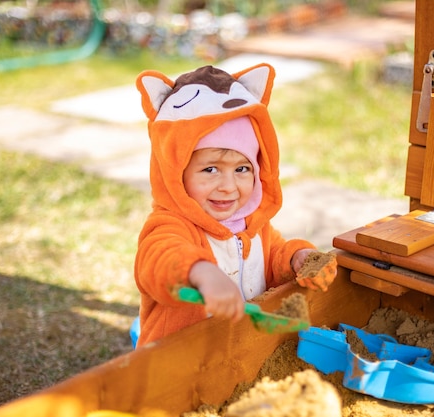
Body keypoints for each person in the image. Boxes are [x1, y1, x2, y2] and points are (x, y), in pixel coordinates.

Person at [132, 63, 336, 347]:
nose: (228, 186)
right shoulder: (170, 225)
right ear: (177, 174)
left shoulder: (252, 224)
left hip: (235, 352)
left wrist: (296, 258)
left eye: (242, 169)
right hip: (178, 359)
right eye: (211, 170)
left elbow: (272, 256)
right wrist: (200, 272)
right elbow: (157, 260)